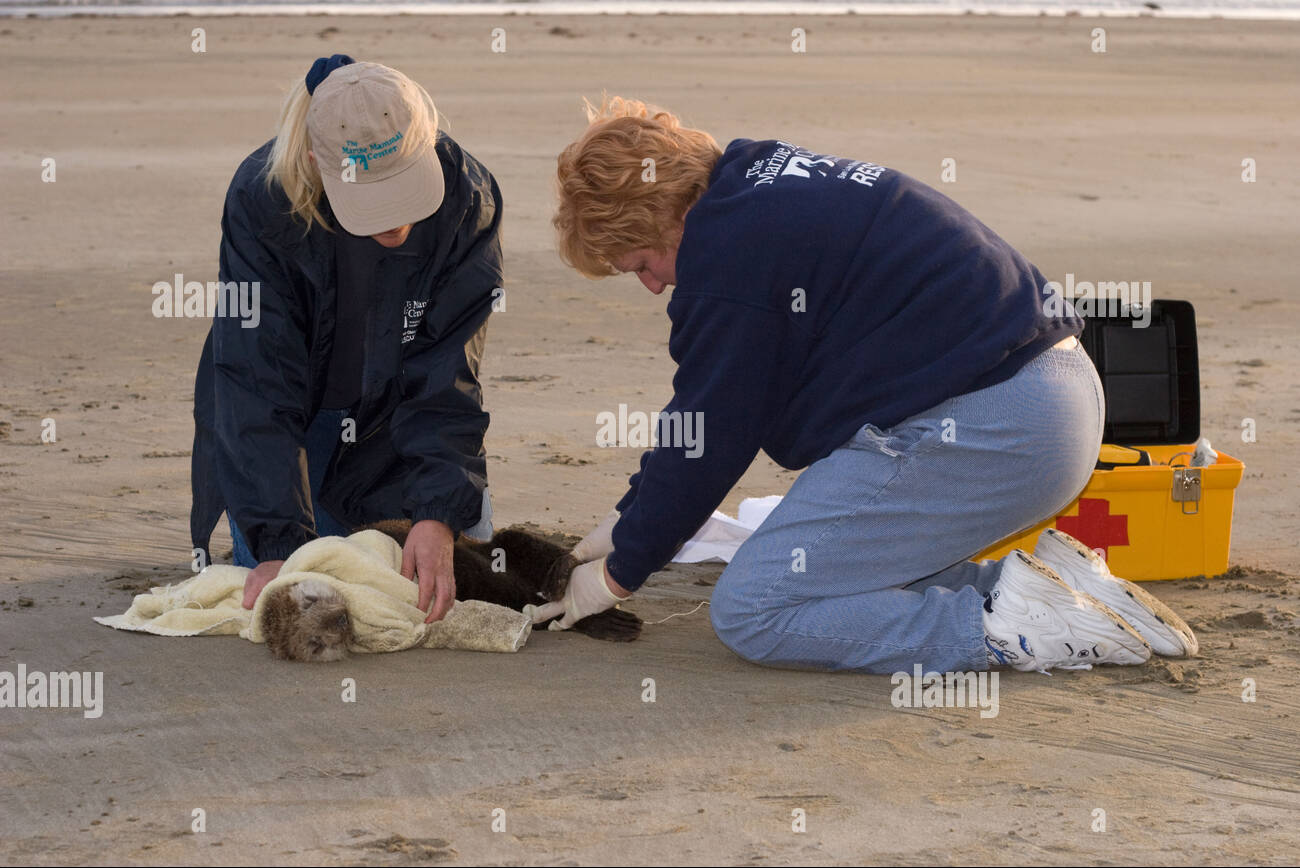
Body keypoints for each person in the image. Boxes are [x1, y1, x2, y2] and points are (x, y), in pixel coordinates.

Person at [534, 96, 1197, 674]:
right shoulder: (754, 179)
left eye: (643, 263)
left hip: (999, 423)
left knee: (754, 607)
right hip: (1055, 390)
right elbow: (705, 411)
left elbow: (709, 433)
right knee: (845, 572)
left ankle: (1008, 631)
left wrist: (617, 578)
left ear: (662, 217)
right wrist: (627, 522)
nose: (653, 285)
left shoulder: (731, 254)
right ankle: (1056, 587)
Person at [190, 56, 503, 623]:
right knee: (304, 593)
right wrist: (278, 541)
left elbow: (449, 372)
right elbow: (256, 378)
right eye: (377, 206)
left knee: (440, 590)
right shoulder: (264, 201)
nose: (399, 227)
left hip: (393, 421)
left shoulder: (467, 197)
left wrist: (437, 512)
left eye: (409, 195)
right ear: (317, 163)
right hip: (296, 430)